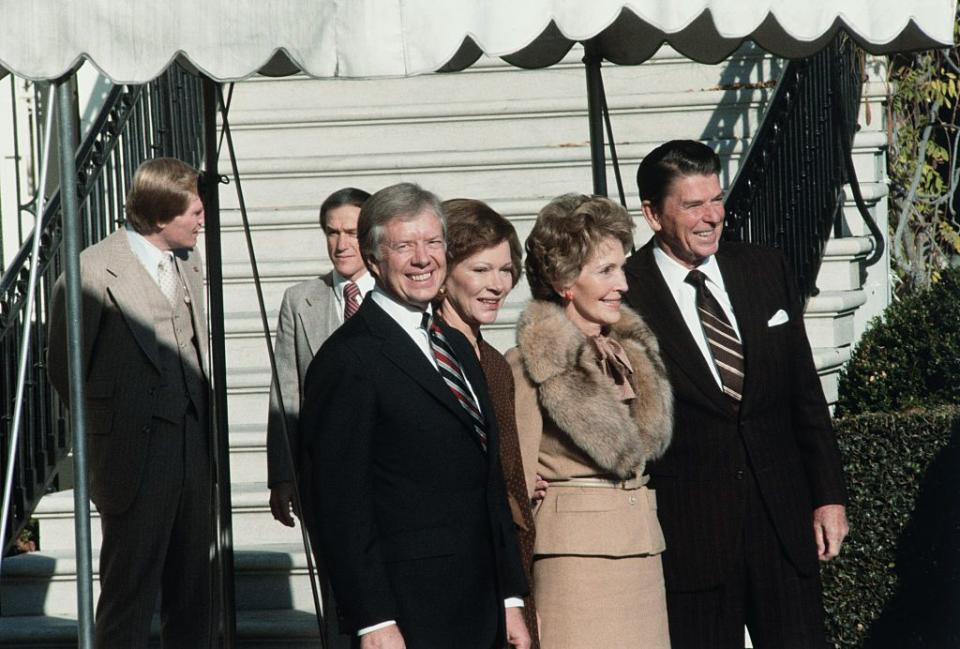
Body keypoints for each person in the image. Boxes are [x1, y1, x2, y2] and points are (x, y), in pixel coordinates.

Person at [624, 139, 849, 649]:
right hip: (692, 538)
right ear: (653, 214)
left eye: (716, 199)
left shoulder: (763, 268)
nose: (712, 216)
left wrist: (829, 496)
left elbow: (805, 395)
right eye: (692, 204)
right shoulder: (626, 294)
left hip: (782, 524)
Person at [298, 182, 530, 649]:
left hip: (482, 606)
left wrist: (510, 597)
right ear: (372, 258)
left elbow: (486, 484)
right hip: (408, 614)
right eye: (404, 245)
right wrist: (373, 619)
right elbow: (340, 505)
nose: (423, 258)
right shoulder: (347, 360)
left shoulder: (459, 348)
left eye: (433, 242)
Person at [47, 158, 211, 649]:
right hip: (133, 457)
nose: (203, 220)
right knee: (129, 594)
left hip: (193, 451)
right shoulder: (94, 268)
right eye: (195, 212)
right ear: (162, 217)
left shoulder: (191, 263)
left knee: (195, 594)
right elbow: (65, 369)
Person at [506, 194, 674, 649]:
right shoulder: (526, 365)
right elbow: (513, 491)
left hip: (642, 551)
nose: (622, 284)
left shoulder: (632, 354)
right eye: (605, 271)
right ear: (564, 280)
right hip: (573, 563)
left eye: (621, 268)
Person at [265, 186, 371, 648]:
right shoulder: (301, 299)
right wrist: (281, 476)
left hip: (391, 471)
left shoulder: (403, 293)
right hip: (326, 475)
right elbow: (286, 389)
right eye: (332, 232)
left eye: (351, 232)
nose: (341, 243)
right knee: (337, 596)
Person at [432, 198, 541, 647]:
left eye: (506, 270)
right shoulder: (430, 357)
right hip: (456, 576)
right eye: (480, 270)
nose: (498, 284)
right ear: (442, 273)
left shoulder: (494, 362)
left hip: (509, 565)